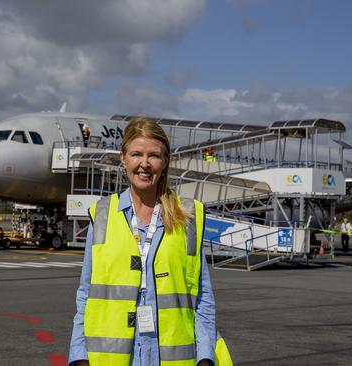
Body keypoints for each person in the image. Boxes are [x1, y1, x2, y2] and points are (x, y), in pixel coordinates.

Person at [69, 118, 232, 366]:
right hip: (114, 357)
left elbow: (202, 298)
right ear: (123, 158)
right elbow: (86, 293)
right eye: (136, 154)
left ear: (165, 161)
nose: (144, 164)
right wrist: (79, 353)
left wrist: (206, 355)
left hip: (172, 358)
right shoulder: (102, 215)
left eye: (154, 156)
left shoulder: (187, 216)